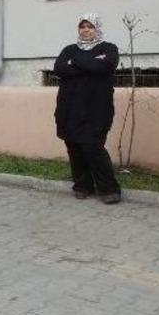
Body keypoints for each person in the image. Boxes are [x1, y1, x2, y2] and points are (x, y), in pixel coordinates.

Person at [53, 14, 121, 204]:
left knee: (93, 148)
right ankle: (83, 186)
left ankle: (109, 189)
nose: (85, 30)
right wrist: (92, 63)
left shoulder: (108, 48)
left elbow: (107, 65)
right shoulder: (69, 49)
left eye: (90, 26)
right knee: (74, 147)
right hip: (69, 108)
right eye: (82, 27)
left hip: (97, 110)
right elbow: (59, 68)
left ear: (96, 29)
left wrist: (75, 63)